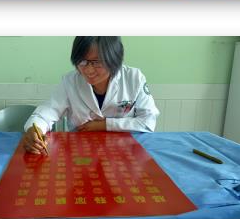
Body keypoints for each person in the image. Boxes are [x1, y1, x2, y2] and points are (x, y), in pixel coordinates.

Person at [23, 36, 159, 154]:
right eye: (82, 61)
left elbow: (148, 122)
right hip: (81, 153)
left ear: (114, 59)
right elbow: (48, 112)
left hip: (124, 152)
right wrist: (34, 129)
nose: (88, 70)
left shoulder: (133, 78)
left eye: (97, 62)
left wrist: (105, 125)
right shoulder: (70, 82)